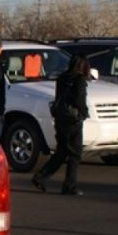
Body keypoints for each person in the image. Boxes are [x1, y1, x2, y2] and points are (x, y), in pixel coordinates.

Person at [31, 53, 91, 196]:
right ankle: (69, 186)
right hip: (73, 120)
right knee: (75, 154)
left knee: (62, 151)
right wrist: (84, 113)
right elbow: (79, 100)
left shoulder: (62, 78)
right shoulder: (80, 80)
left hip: (60, 118)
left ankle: (41, 177)